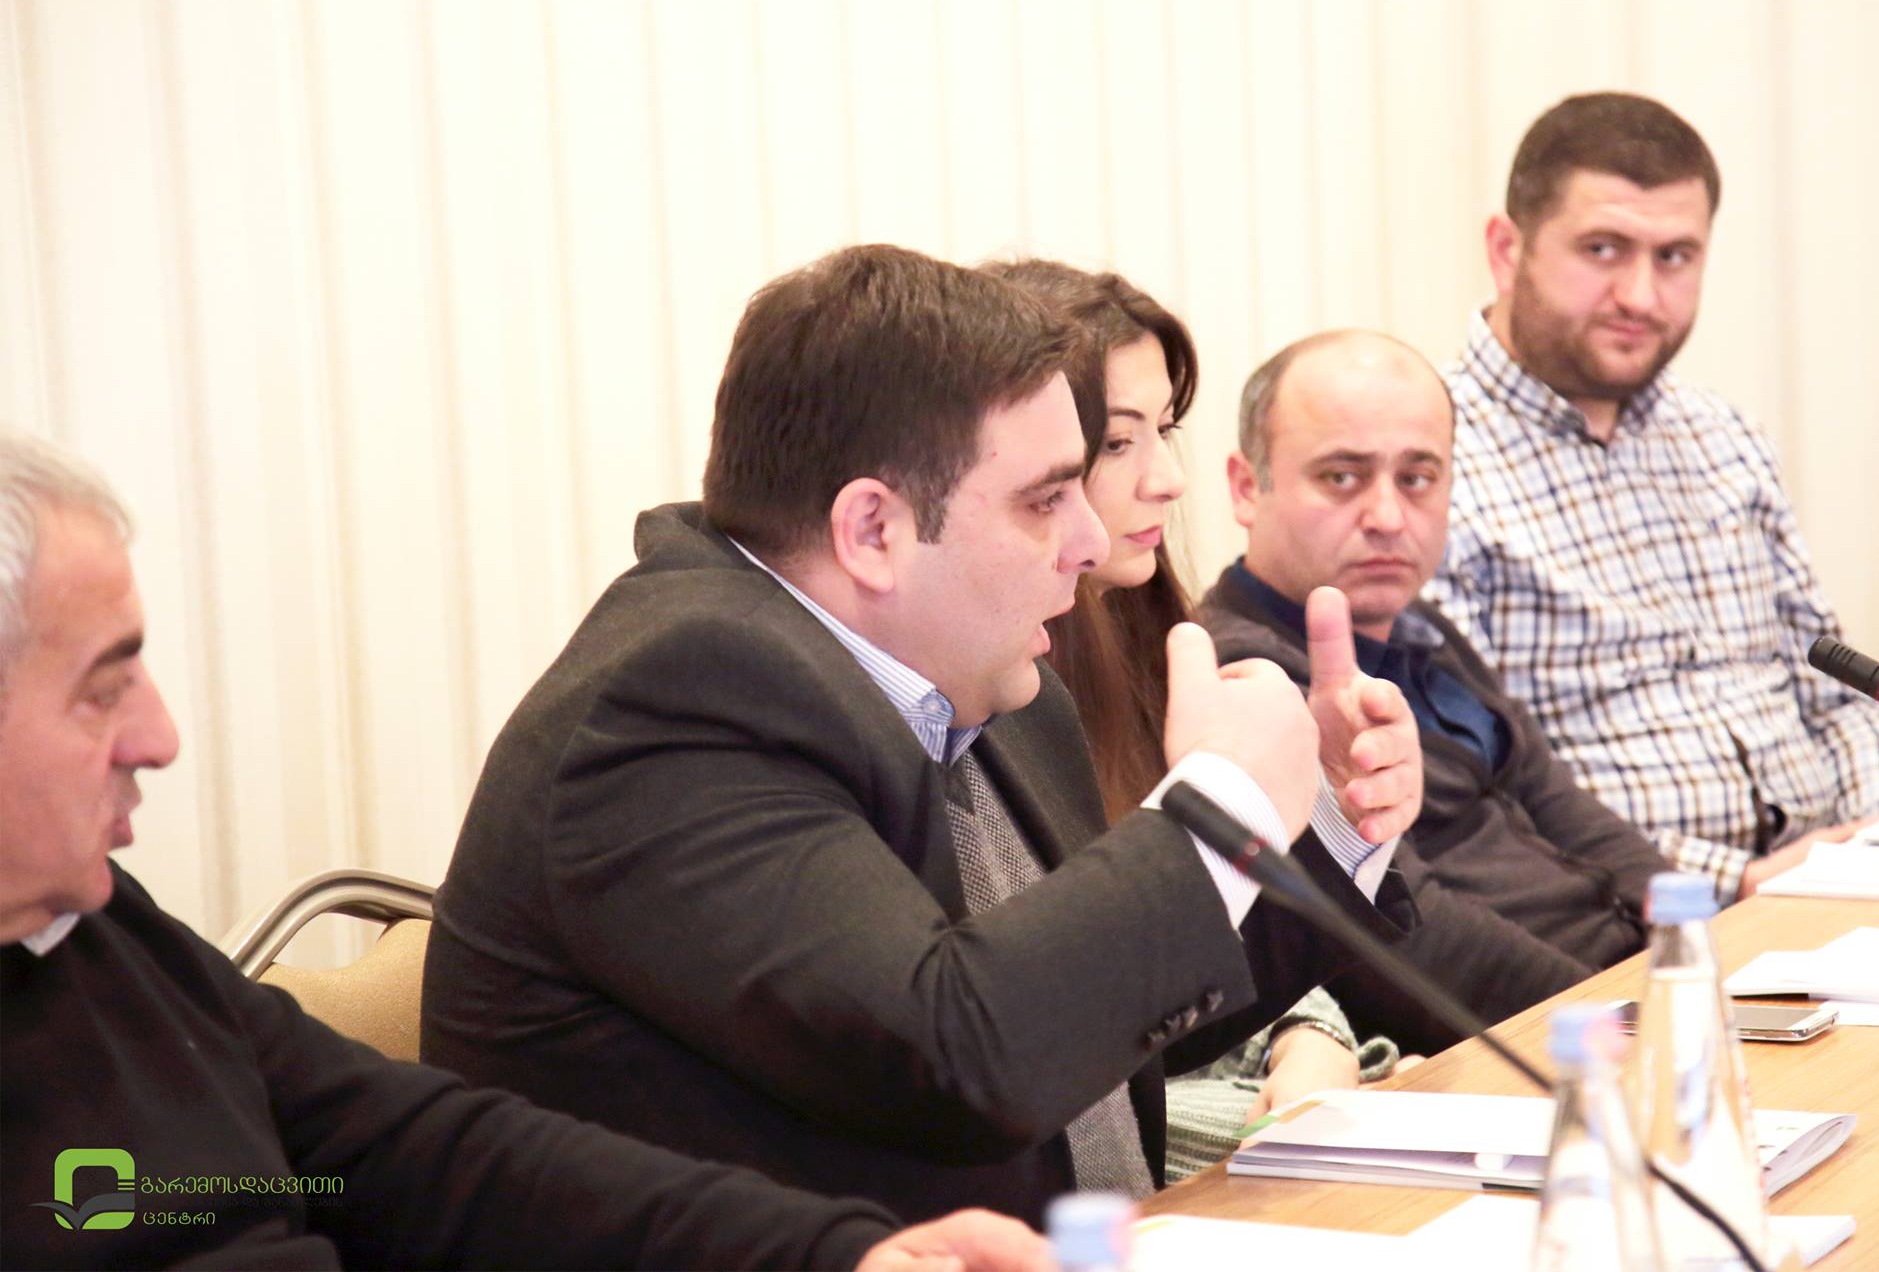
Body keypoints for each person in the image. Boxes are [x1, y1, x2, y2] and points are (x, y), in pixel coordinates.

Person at [422, 245, 1426, 1224]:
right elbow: (953, 1053)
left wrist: (1323, 818)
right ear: (872, 531)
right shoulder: (681, 707)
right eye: (1046, 499)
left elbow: (1094, 1015)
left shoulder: (990, 682)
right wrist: (1222, 805)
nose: (1087, 542)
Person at [0, 430, 1051, 1272]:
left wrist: (838, 1254)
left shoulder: (96, 934)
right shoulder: (689, 694)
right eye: (102, 688)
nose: (159, 737)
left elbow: (419, 1155)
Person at [1429, 92, 1879, 902]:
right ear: (1507, 249)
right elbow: (1480, 795)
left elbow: (1838, 692)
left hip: (1836, 893)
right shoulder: (1424, 465)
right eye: (1603, 249)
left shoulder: (1723, 437)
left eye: (1674, 257)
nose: (1640, 296)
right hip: (1628, 924)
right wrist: (1736, 883)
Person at [986, 259, 1396, 1184]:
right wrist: (1330, 1078)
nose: (1170, 479)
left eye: (1165, 431)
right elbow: (1085, 1046)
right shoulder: (979, 690)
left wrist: (1315, 1028)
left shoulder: (1147, 635)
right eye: (1118, 441)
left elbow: (1195, 942)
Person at [1204, 329, 1668, 989]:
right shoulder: (1248, 678)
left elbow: (1556, 799)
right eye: (1341, 477)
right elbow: (1402, 930)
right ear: (1248, 487)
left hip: (1633, 982)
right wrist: (1616, 1020)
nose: (1388, 517)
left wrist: (1693, 938)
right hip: (1540, 1020)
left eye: (1417, 479)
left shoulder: (1421, 626)